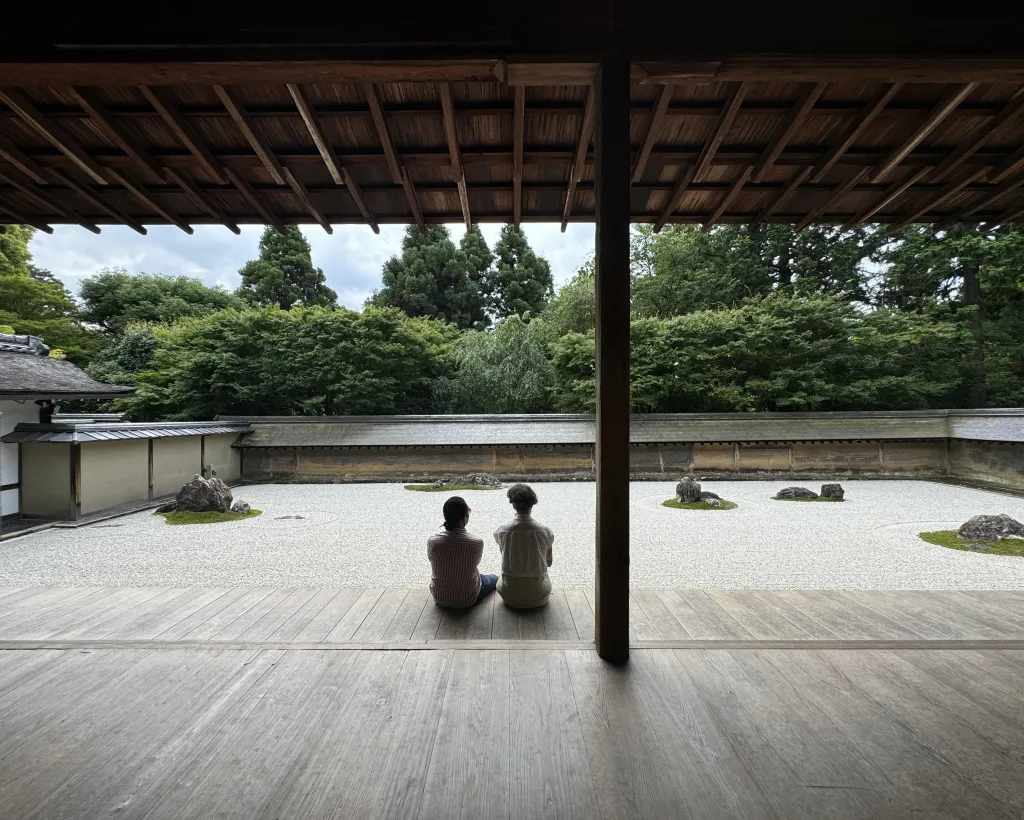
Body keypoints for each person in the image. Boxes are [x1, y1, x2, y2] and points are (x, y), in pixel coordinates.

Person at [427, 496, 498, 609]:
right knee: (494, 578)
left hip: (440, 598)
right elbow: (475, 563)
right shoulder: (476, 542)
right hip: (468, 599)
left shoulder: (432, 541)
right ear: (465, 518)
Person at [493, 484, 554, 609]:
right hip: (538, 594)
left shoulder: (501, 530)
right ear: (532, 504)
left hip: (509, 594)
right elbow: (549, 563)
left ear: (513, 505)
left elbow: (503, 552)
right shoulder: (545, 531)